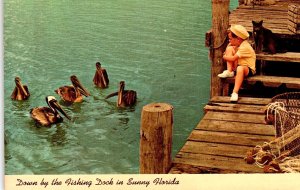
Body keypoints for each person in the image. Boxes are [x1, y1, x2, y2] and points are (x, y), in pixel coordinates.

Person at [218, 24, 256, 102]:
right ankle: (230, 71)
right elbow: (230, 49)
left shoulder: (245, 47)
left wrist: (224, 57)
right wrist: (229, 45)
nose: (229, 41)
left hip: (248, 68)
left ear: (238, 39)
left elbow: (232, 58)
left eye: (230, 39)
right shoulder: (239, 44)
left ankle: (235, 92)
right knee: (229, 49)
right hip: (239, 64)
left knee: (240, 68)